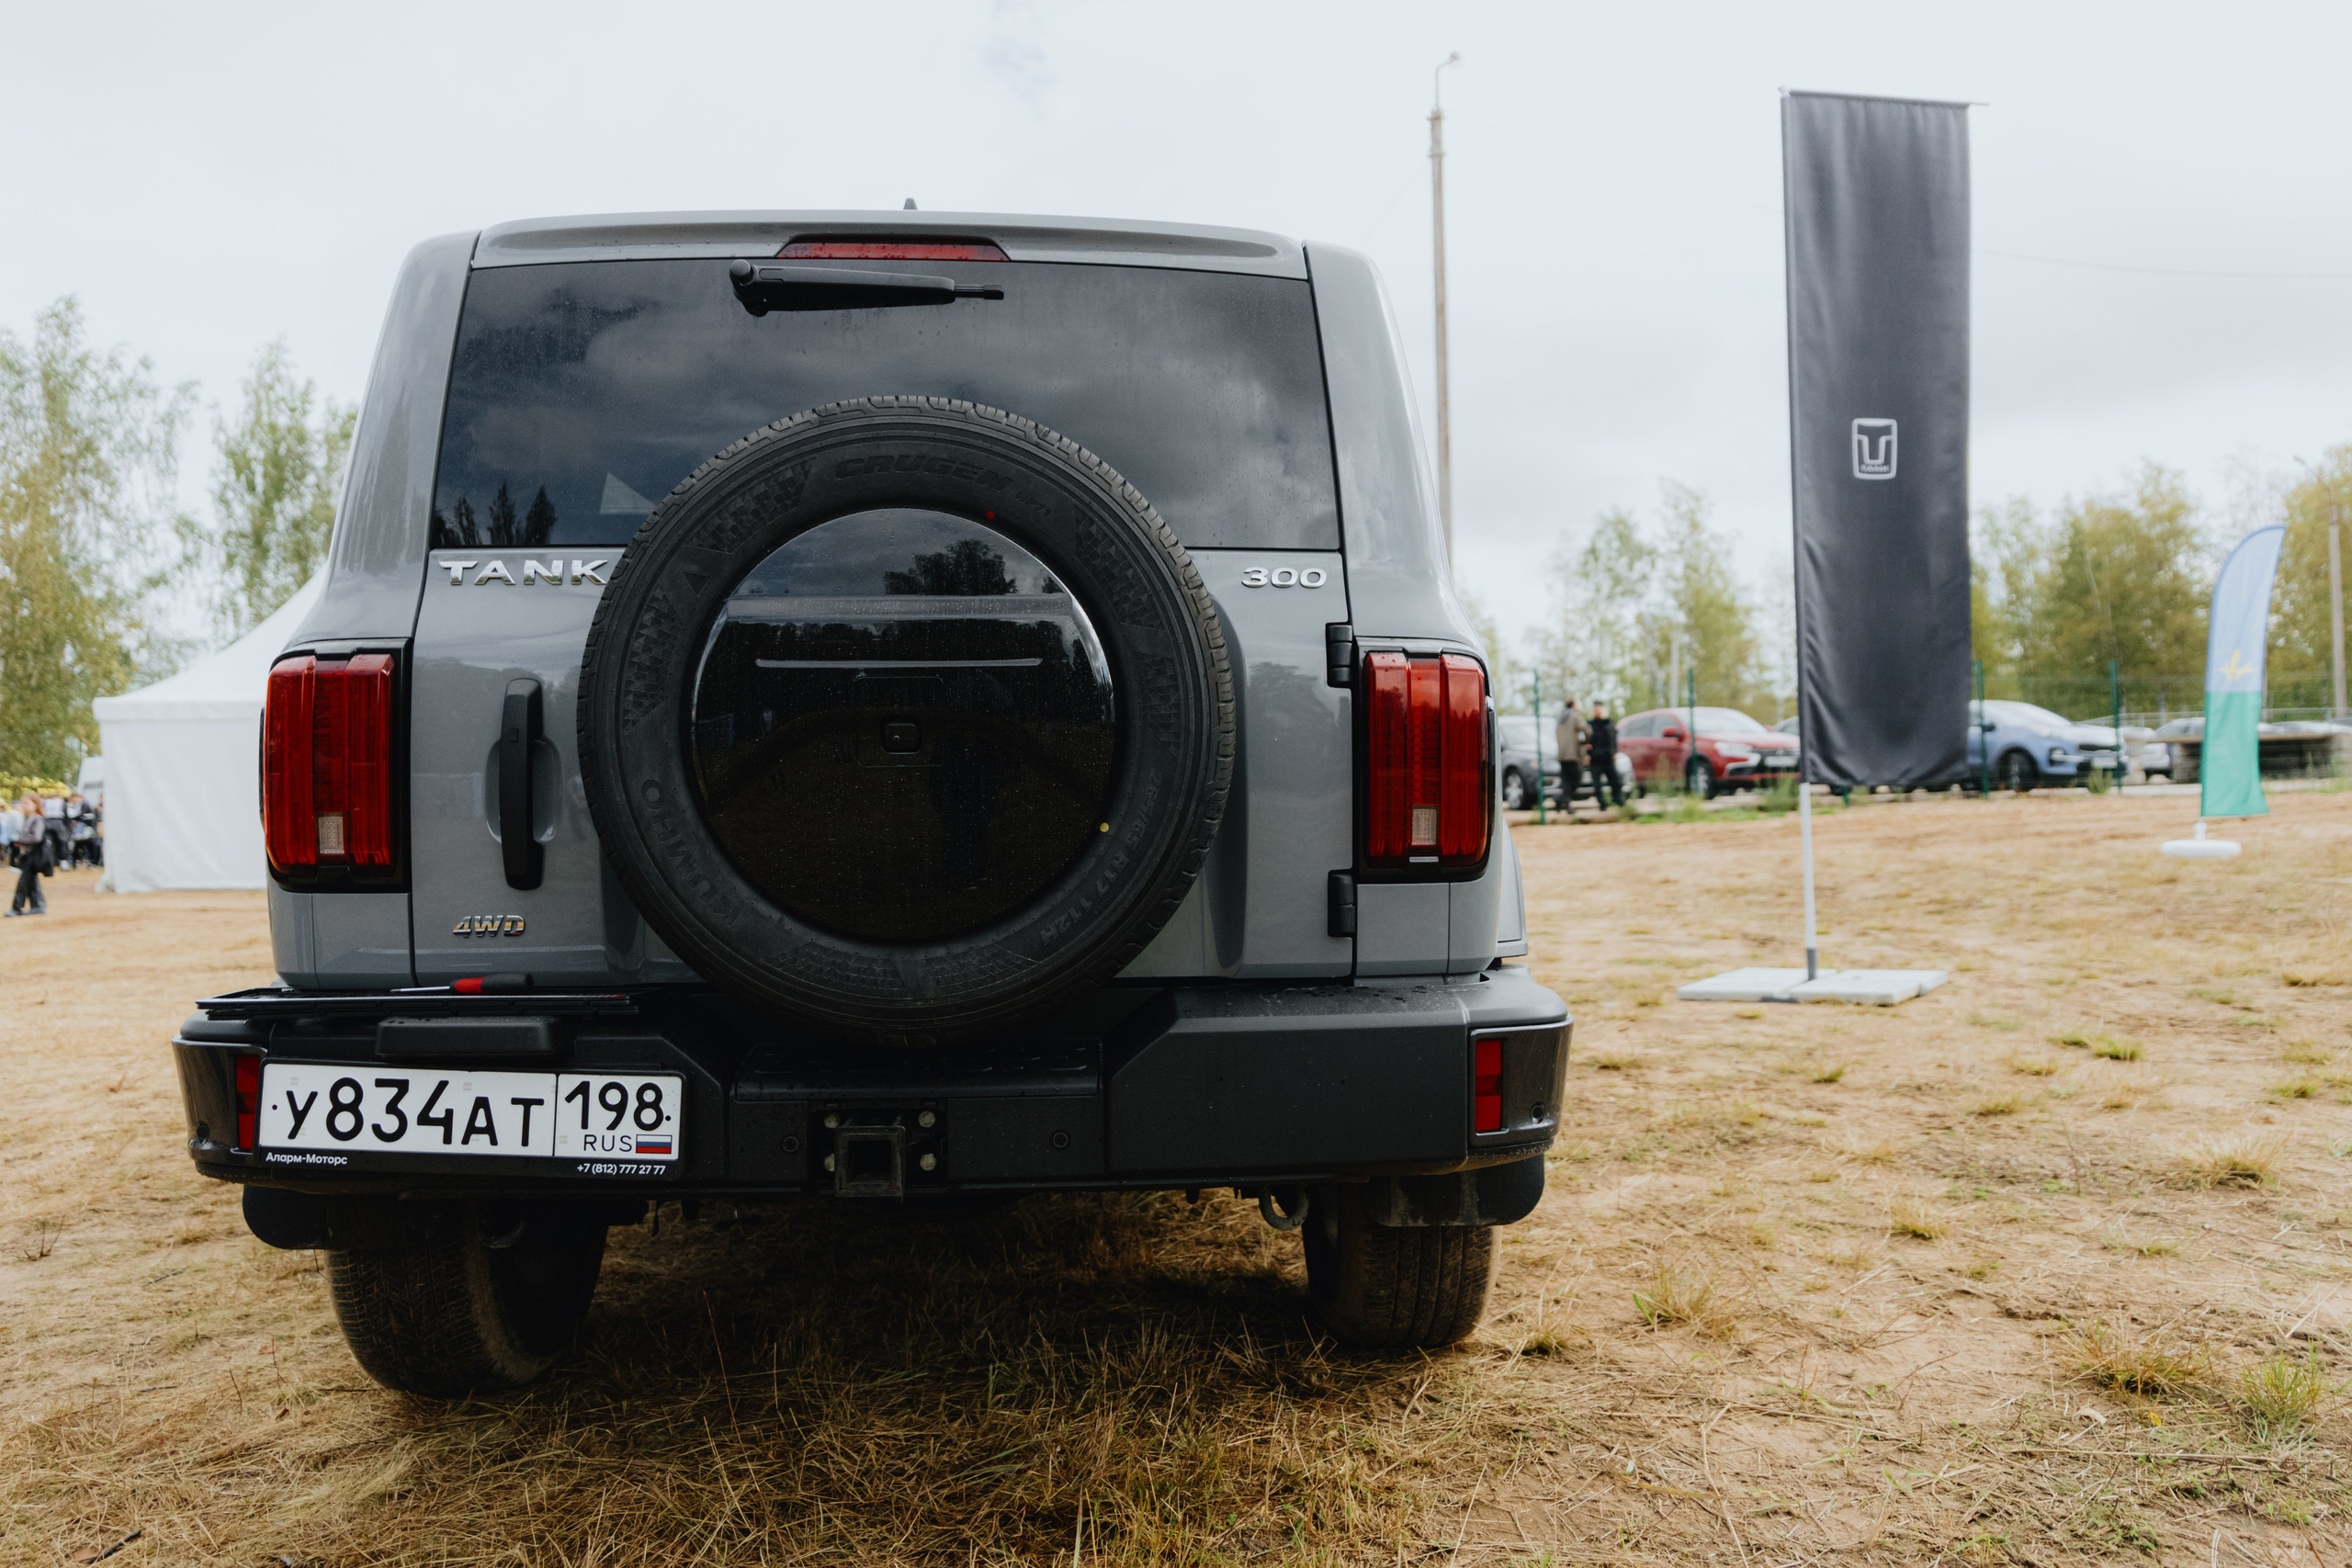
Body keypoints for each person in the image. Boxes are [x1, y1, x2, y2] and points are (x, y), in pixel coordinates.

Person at [9, 795, 51, 915]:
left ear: (35, 805)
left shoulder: (37, 819)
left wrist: (21, 841)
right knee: (32, 882)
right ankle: (38, 906)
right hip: (29, 855)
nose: (23, 806)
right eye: (22, 803)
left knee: (23, 883)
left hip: (34, 856)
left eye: (26, 803)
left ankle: (16, 908)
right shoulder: (28, 818)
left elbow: (37, 837)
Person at [1587, 702, 1625, 808]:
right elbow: (1586, 741)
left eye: (1598, 708)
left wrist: (1614, 752)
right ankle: (1602, 803)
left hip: (1608, 756)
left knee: (1615, 779)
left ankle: (1617, 799)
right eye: (1595, 708)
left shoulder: (1609, 722)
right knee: (1596, 783)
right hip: (1595, 757)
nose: (1597, 710)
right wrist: (1588, 754)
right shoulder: (1590, 724)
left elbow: (1613, 738)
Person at [1553, 698, 1588, 807]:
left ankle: (1562, 802)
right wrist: (1585, 742)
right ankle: (1562, 800)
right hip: (1573, 755)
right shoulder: (1575, 716)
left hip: (1562, 754)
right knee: (1576, 780)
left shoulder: (1560, 718)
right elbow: (1587, 730)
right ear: (1573, 705)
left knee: (1566, 781)